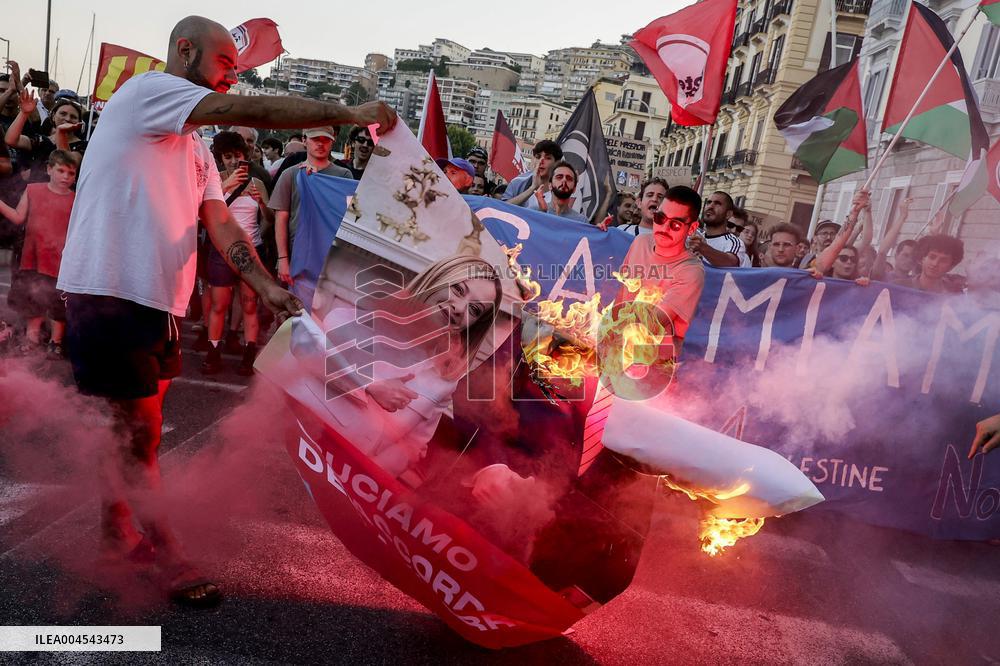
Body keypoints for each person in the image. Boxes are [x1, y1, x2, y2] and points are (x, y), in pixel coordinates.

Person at [55, 15, 396, 608]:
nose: (230, 78)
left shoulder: (194, 150)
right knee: (141, 432)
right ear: (184, 50)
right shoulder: (147, 93)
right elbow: (256, 113)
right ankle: (167, 553)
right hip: (110, 291)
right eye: (224, 66)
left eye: (234, 71)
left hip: (156, 300)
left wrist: (267, 288)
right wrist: (346, 112)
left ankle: (116, 533)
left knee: (137, 429)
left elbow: (218, 222)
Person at [290, 254, 502, 480]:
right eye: (458, 290)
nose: (460, 308)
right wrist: (370, 385)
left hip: (347, 482)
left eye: (475, 310)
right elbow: (303, 356)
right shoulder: (349, 322)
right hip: (294, 459)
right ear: (435, 280)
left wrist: (361, 474)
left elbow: (412, 447)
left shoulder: (444, 381)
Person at [201, 131, 274, 376]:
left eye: (238, 156)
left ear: (247, 156)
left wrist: (262, 203)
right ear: (220, 158)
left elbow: (270, 220)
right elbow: (202, 211)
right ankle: (213, 353)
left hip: (251, 249)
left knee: (249, 304)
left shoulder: (257, 183)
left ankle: (248, 354)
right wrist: (224, 187)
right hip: (221, 250)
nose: (234, 161)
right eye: (228, 156)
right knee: (219, 304)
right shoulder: (215, 181)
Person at [0, 149, 77, 355]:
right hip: (33, 257)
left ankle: (56, 342)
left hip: (61, 262)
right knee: (33, 299)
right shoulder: (33, 190)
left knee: (57, 303)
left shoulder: (76, 199)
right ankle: (32, 340)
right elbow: (17, 217)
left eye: (71, 173)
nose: (65, 177)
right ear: (49, 169)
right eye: (61, 170)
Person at [615, 185, 706, 355]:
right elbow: (621, 297)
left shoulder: (691, 272)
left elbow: (652, 323)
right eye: (660, 218)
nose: (664, 228)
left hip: (653, 364)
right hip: (616, 351)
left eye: (676, 224)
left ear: (692, 228)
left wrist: (606, 331)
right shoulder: (640, 243)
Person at [272, 126, 354, 284]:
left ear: (332, 143)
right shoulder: (290, 174)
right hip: (297, 254)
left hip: (331, 257)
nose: (320, 144)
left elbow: (350, 217)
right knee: (294, 305)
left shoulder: (344, 175)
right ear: (304, 140)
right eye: (316, 139)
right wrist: (282, 259)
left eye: (326, 140)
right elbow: (281, 219)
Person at [5, 90, 85, 181]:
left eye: (73, 117)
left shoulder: (82, 146)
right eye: (63, 114)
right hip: (33, 192)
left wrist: (61, 134)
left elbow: (66, 165)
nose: (67, 119)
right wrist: (24, 113)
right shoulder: (42, 140)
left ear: (79, 122)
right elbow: (11, 140)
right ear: (53, 116)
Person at [688, 190, 749, 267]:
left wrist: (702, 248)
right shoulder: (693, 235)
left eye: (717, 204)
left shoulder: (734, 242)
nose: (710, 206)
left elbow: (730, 263)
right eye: (709, 202)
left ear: (728, 214)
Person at [891, 234, 965, 293]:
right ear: (922, 258)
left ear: (951, 267)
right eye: (932, 257)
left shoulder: (954, 294)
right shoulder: (898, 287)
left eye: (943, 260)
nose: (935, 263)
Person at [502, 139, 562, 209]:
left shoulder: (561, 187)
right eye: (538, 157)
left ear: (557, 163)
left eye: (548, 158)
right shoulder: (518, 182)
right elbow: (502, 207)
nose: (541, 161)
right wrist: (532, 188)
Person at [601, 177, 667, 234]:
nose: (654, 199)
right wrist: (600, 231)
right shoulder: (622, 231)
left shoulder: (669, 239)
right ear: (639, 203)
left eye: (660, 197)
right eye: (650, 195)